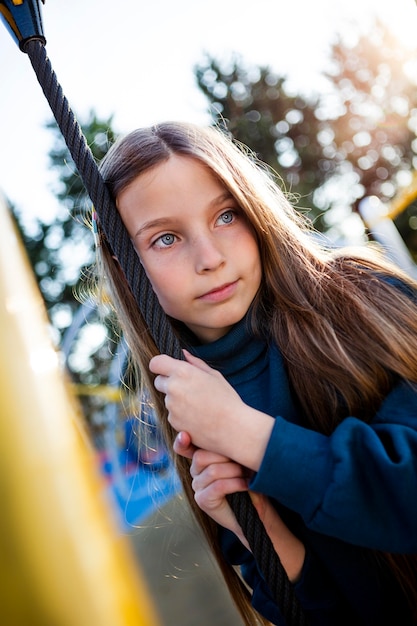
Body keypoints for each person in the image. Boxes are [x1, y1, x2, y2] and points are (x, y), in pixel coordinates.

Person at [95, 121, 417, 626]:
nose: (210, 258)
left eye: (226, 215)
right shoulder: (187, 408)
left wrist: (250, 436)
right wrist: (263, 530)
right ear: (125, 265)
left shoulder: (361, 300)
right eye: (166, 238)